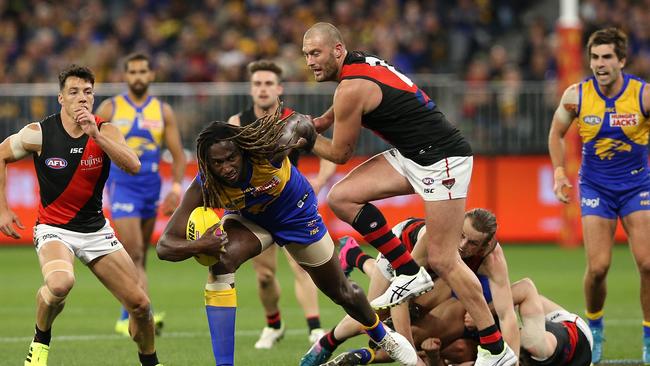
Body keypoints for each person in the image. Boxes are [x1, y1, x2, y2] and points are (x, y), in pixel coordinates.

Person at [302, 22, 516, 365]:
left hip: (441, 159)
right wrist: (324, 121)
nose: (310, 61)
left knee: (445, 259)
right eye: (306, 55)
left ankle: (496, 351)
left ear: (338, 50)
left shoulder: (350, 88)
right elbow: (349, 100)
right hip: (413, 153)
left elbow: (340, 154)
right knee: (341, 197)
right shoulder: (357, 65)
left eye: (316, 53)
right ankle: (407, 269)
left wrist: (307, 138)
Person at [156, 108, 417, 366]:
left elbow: (297, 122)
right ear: (206, 163)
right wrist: (202, 244)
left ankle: (382, 336)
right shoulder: (205, 184)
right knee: (221, 260)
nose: (226, 168)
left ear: (243, 151)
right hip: (251, 219)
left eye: (231, 158)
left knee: (342, 292)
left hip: (296, 214)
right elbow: (165, 246)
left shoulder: (268, 152)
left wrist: (302, 129)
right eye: (217, 163)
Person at [0, 65, 162, 366]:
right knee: (61, 283)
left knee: (141, 305)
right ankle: (40, 340)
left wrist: (96, 136)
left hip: (96, 231)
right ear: (61, 98)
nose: (81, 98)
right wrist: (3, 209)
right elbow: (2, 154)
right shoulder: (39, 134)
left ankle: (151, 361)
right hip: (54, 228)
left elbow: (133, 165)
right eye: (73, 92)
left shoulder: (106, 130)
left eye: (87, 92)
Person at [548, 27, 650, 363]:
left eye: (607, 57)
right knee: (598, 268)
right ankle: (597, 329)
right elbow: (556, 133)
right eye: (594, 57)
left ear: (622, 60)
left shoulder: (644, 96)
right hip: (596, 188)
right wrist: (560, 172)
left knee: (648, 264)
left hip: (638, 186)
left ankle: (649, 336)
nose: (600, 63)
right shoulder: (576, 96)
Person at [310, 209, 518, 366]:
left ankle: (355, 256)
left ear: (486, 245)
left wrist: (513, 361)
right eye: (462, 235)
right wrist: (410, 355)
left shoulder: (492, 259)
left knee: (412, 312)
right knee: (373, 315)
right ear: (456, 225)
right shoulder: (433, 239)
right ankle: (327, 342)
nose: (463, 246)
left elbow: (507, 314)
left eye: (473, 243)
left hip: (440, 267)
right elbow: (401, 294)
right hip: (402, 251)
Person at [227, 60, 336, 347]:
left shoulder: (295, 121)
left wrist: (319, 182)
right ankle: (274, 325)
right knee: (264, 276)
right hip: (255, 209)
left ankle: (314, 327)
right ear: (251, 90)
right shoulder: (236, 124)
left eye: (267, 84)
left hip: (291, 206)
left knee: (302, 267)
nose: (262, 89)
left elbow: (328, 152)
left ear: (279, 88)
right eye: (257, 84)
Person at [95, 53, 186, 336]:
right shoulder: (110, 109)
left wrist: (174, 187)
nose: (137, 76)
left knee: (141, 257)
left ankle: (130, 313)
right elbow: (92, 146)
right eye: (132, 71)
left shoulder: (162, 111)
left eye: (142, 71)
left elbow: (177, 155)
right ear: (125, 76)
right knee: (133, 252)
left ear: (151, 75)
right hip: (122, 186)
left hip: (151, 188)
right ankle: (132, 316)